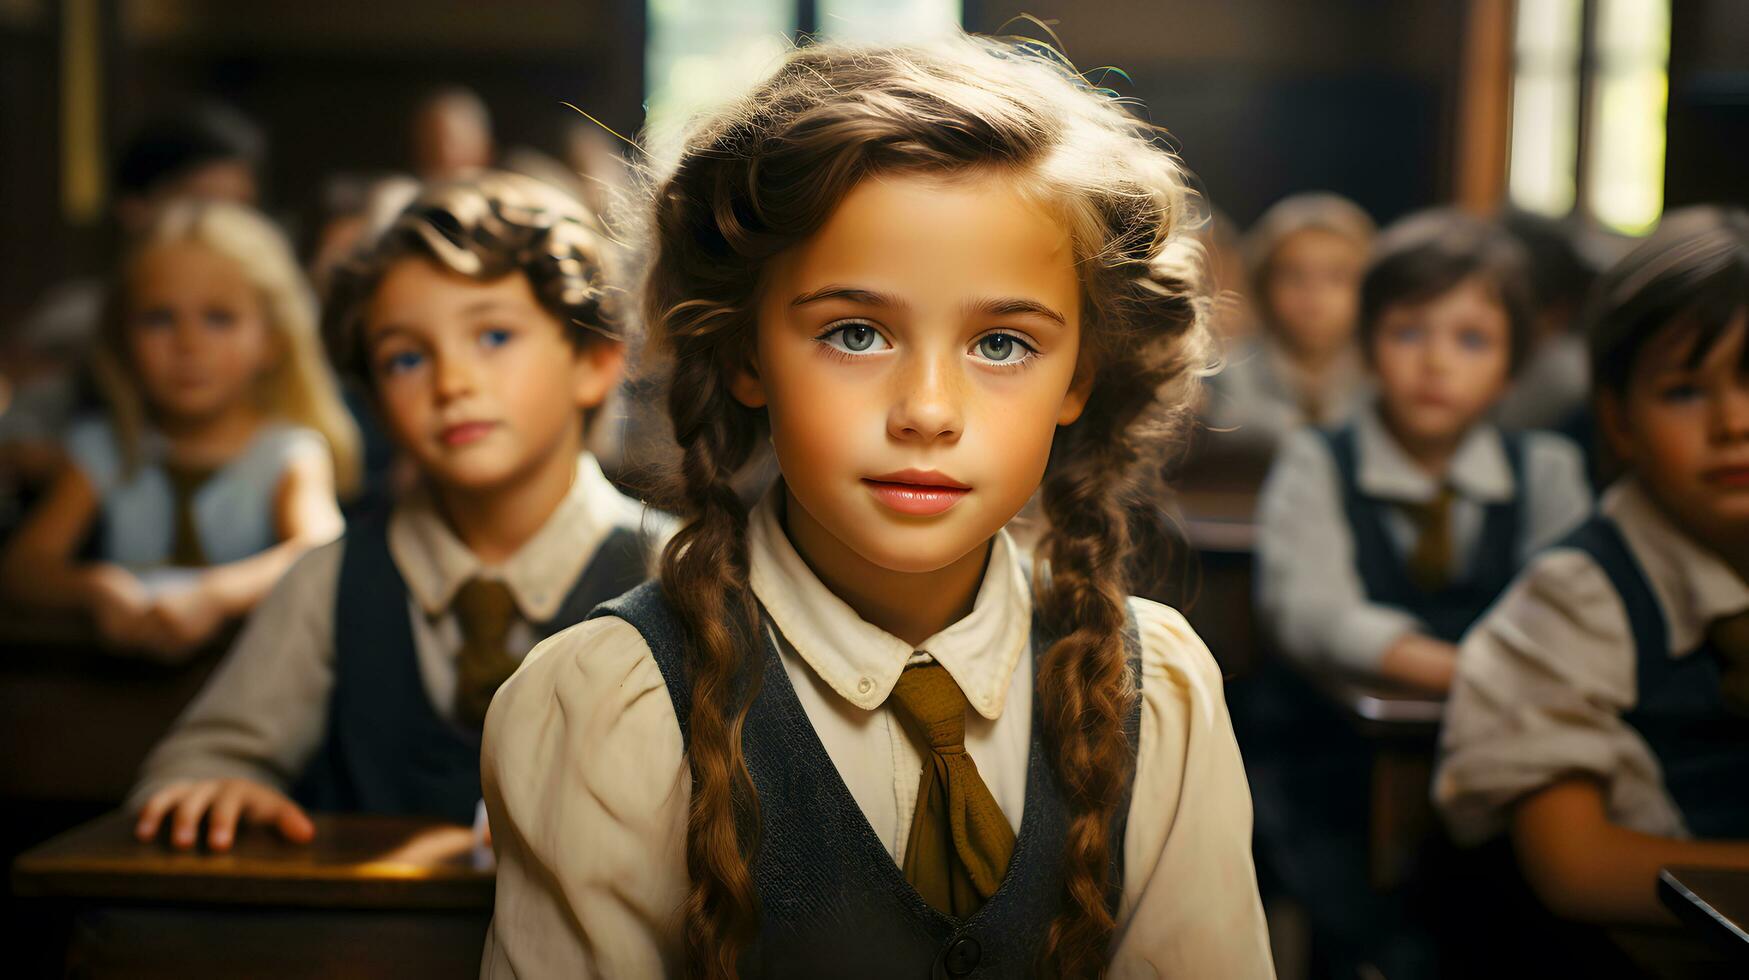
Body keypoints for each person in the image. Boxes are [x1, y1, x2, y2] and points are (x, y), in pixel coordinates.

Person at [481, 34, 1273, 979]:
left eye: (1003, 345)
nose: (927, 412)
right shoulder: (615, 706)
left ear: (1079, 376)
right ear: (744, 354)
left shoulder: (1162, 693)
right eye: (855, 333)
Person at [126, 172, 661, 847]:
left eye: (493, 337)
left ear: (594, 360)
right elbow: (197, 764)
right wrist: (218, 787)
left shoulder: (676, 573)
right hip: (356, 950)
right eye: (405, 358)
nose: (452, 382)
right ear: (376, 401)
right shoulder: (328, 584)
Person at [1436, 206, 1749, 926]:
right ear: (1617, 421)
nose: (1732, 423)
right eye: (1684, 390)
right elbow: (1575, 868)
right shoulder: (1577, 599)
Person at [0, 201, 358, 658]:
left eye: (219, 318)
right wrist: (96, 590)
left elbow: (322, 551)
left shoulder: (288, 452)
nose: (189, 343)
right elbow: (24, 569)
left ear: (272, 340)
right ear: (122, 341)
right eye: (159, 318)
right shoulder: (103, 450)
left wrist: (216, 596)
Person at [1256, 210, 1591, 693]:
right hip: (1333, 746)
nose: (1436, 363)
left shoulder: (1547, 468)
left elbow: (1569, 612)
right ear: (1369, 350)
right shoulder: (1317, 458)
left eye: (1472, 340)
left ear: (1510, 370)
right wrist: (1469, 674)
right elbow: (1312, 614)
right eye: (1408, 333)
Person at [1201, 192, 1375, 452]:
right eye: (1293, 276)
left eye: (1337, 277)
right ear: (1263, 285)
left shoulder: (1381, 379)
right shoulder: (1222, 378)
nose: (1315, 296)